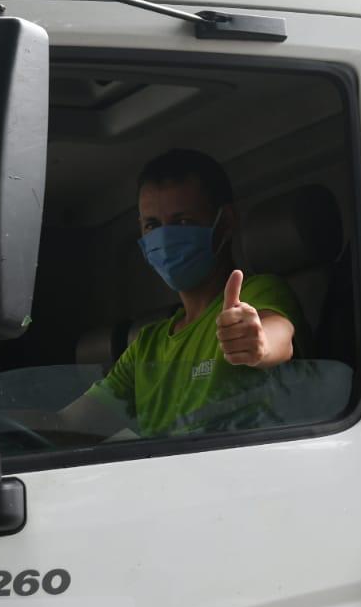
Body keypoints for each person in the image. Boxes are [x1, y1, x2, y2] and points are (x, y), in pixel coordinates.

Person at [66, 149, 307, 438]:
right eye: (152, 225)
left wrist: (257, 343)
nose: (165, 238)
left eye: (182, 222)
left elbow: (278, 336)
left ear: (225, 223)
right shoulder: (147, 346)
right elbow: (70, 426)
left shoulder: (256, 294)